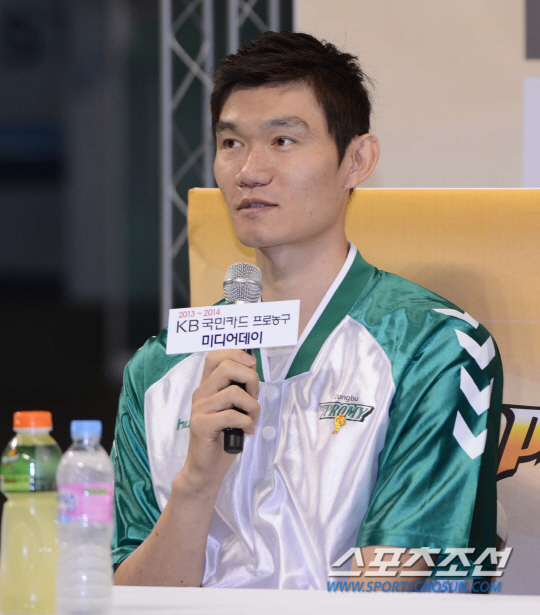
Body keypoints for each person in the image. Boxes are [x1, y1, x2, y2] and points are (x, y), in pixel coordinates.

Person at [111, 31, 502, 589]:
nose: (250, 170)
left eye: (283, 140)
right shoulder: (158, 366)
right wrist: (196, 483)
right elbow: (129, 595)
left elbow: (394, 584)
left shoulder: (433, 347)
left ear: (357, 160)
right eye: (231, 143)